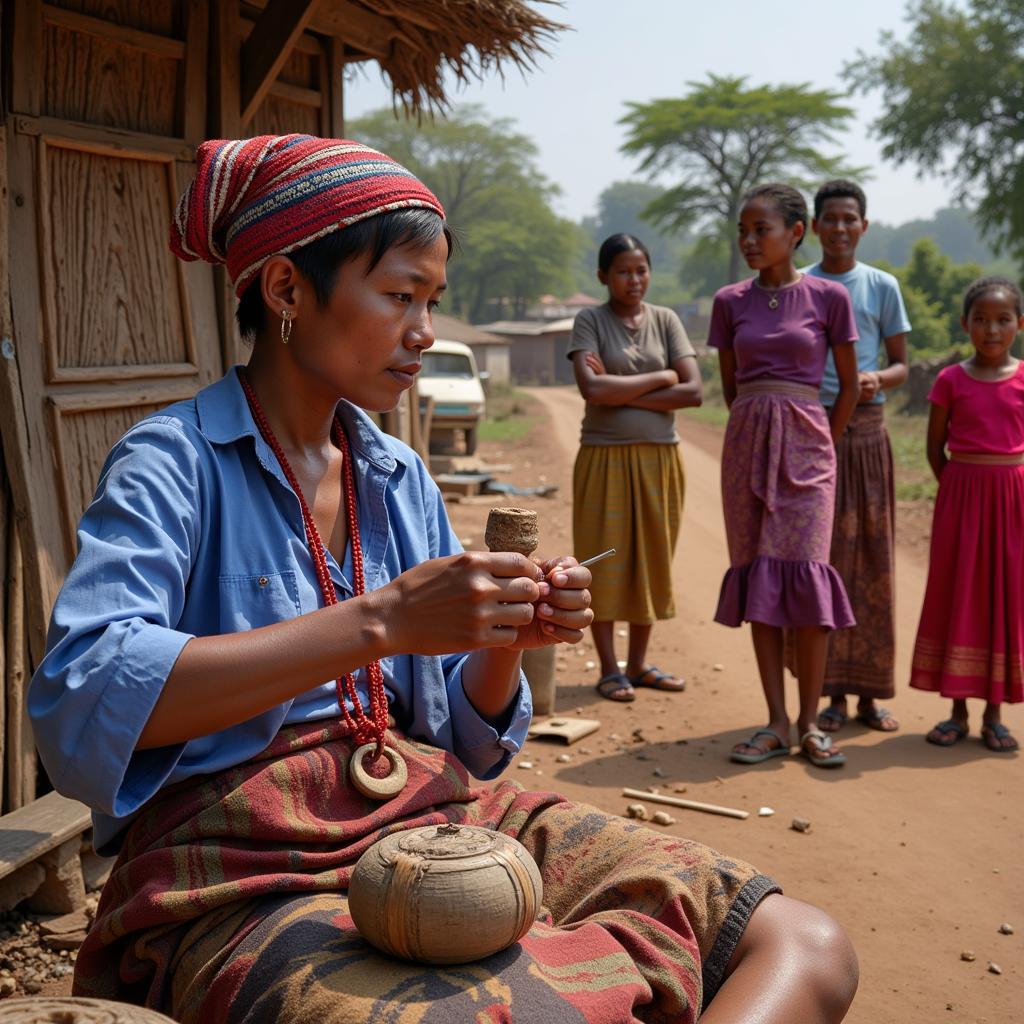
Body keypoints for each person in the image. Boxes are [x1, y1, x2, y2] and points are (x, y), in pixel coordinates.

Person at [29, 137, 858, 1024]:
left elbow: (462, 746)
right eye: (398, 297)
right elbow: (83, 704)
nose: (425, 332)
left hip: (437, 814)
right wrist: (379, 620)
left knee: (802, 946)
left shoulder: (395, 475)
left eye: (432, 301)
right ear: (284, 290)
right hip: (239, 862)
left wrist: (505, 641)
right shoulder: (173, 462)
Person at [709, 183, 861, 769]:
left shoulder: (829, 298)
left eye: (760, 230)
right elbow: (731, 385)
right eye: (743, 231)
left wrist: (823, 437)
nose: (749, 240)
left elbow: (847, 385)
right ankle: (775, 721)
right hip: (747, 444)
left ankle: (810, 723)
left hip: (809, 449)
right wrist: (758, 421)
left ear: (796, 233)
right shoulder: (729, 301)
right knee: (761, 586)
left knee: (809, 581)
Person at [568, 233, 702, 702]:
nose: (634, 279)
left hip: (660, 458)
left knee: (651, 559)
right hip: (603, 457)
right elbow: (594, 392)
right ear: (604, 276)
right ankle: (609, 668)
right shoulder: (589, 320)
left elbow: (694, 391)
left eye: (641, 270)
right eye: (623, 271)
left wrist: (620, 384)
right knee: (605, 557)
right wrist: (664, 376)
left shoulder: (666, 321)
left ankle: (640, 664)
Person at [807, 180, 911, 735]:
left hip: (868, 433)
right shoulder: (804, 286)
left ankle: (870, 695)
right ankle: (830, 696)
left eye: (851, 219)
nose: (841, 228)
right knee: (825, 562)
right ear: (814, 227)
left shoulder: (880, 285)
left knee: (872, 560)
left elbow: (901, 364)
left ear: (863, 226)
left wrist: (875, 378)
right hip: (814, 430)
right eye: (831, 219)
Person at [911, 276, 1024, 753]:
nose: (991, 329)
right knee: (958, 595)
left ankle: (994, 715)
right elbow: (935, 450)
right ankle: (956, 711)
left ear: (1019, 324)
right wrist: (962, 491)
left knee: (1005, 598)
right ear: (964, 324)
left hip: (1013, 499)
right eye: (980, 319)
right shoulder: (949, 380)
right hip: (961, 498)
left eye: (1002, 320)